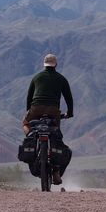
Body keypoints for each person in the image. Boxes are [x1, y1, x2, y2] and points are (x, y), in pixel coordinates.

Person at [23, 53, 74, 184]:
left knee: (25, 123)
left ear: (44, 64)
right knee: (56, 135)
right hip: (53, 111)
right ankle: (56, 171)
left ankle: (31, 137)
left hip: (36, 109)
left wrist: (29, 111)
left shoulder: (36, 77)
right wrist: (70, 113)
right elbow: (69, 98)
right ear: (55, 64)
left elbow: (29, 97)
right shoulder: (61, 79)